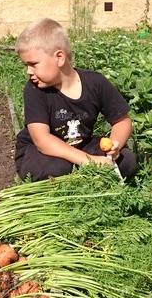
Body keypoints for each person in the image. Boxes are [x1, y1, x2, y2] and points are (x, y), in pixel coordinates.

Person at [13, 18, 137, 182]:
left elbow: (122, 121)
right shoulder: (34, 90)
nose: (28, 71)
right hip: (39, 151)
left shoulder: (95, 82)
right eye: (26, 65)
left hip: (81, 145)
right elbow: (41, 140)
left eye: (33, 64)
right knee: (57, 168)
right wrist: (89, 161)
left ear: (59, 58)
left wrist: (114, 146)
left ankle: (82, 177)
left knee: (126, 162)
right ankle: (81, 178)